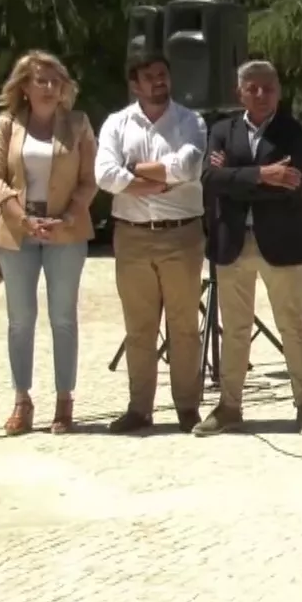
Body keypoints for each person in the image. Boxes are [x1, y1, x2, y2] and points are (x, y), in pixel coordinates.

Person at [196, 60, 302, 437]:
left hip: (280, 242)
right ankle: (229, 406)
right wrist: (263, 175)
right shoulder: (221, 130)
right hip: (232, 241)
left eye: (268, 88)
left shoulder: (292, 131)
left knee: (292, 325)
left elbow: (290, 184)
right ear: (240, 93)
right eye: (253, 88)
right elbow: (209, 178)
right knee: (234, 328)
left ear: (279, 92)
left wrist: (236, 177)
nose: (261, 94)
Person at [0, 51, 98, 435]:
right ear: (24, 87)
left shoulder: (79, 124)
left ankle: (64, 400)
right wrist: (21, 217)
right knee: (20, 321)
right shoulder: (8, 124)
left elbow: (89, 179)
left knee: (63, 318)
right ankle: (22, 400)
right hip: (17, 232)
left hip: (65, 230)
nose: (50, 88)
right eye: (41, 81)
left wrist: (68, 216)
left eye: (55, 81)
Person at [94, 54, 208, 433]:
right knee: (139, 327)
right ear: (135, 85)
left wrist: (134, 172)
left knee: (184, 327)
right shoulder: (116, 123)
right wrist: (162, 179)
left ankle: (187, 408)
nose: (159, 81)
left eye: (163, 75)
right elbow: (104, 175)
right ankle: (139, 409)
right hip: (133, 235)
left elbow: (189, 167)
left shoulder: (191, 120)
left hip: (182, 234)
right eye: (150, 77)